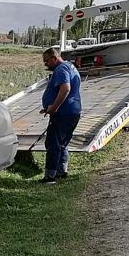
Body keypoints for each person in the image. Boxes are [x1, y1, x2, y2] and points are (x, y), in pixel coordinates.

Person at [38, 47, 82, 184]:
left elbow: (65, 88)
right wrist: (48, 107)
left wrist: (54, 108)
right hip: (72, 111)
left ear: (54, 58)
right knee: (62, 143)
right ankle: (62, 171)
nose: (45, 64)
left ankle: (50, 176)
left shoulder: (61, 69)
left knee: (53, 143)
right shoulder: (70, 66)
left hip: (63, 112)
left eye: (46, 61)